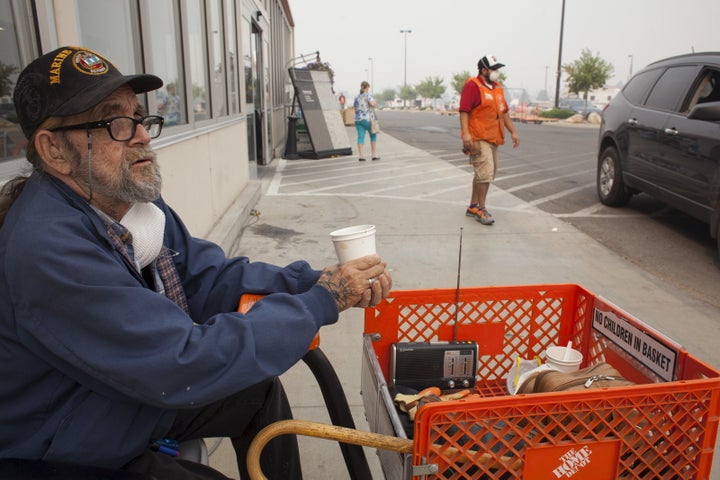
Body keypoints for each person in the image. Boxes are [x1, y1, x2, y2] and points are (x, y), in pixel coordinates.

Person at [0, 46, 392, 480]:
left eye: (139, 117)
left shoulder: (124, 200)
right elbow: (181, 363)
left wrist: (310, 282)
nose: (142, 135)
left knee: (256, 392)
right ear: (53, 149)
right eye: (114, 122)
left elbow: (206, 278)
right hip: (63, 447)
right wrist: (322, 301)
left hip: (115, 401)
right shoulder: (47, 247)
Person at [459, 54, 519, 225]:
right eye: (494, 69)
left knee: (485, 173)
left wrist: (513, 132)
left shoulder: (497, 87)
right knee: (485, 174)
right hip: (478, 137)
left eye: (497, 69)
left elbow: (504, 112)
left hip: (493, 137)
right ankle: (481, 209)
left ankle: (473, 206)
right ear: (484, 70)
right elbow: (464, 111)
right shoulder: (473, 85)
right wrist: (466, 135)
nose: (496, 72)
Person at [353, 81, 380, 161]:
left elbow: (355, 107)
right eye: (368, 88)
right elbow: (373, 104)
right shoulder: (368, 95)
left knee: (360, 137)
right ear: (367, 87)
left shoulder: (357, 96)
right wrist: (374, 103)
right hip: (368, 119)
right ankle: (373, 155)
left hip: (358, 120)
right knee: (373, 136)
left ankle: (361, 156)